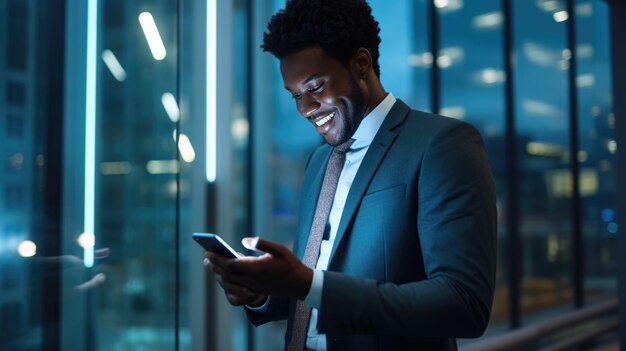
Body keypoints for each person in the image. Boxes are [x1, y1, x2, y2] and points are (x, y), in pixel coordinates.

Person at [205, 0, 497, 350]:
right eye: (295, 95)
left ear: (361, 64)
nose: (304, 109)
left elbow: (463, 303)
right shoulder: (317, 163)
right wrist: (261, 293)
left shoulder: (441, 144)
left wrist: (307, 284)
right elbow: (316, 286)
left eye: (315, 88)